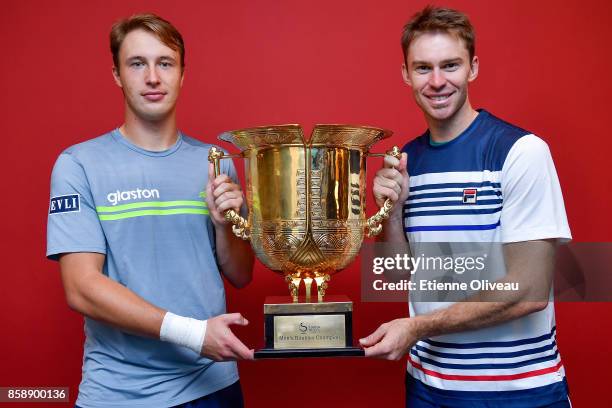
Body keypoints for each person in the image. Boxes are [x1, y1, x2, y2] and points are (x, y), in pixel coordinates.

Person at [361, 6, 572, 407]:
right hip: (429, 390)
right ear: (406, 74)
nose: (437, 81)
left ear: (473, 68)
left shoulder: (520, 152)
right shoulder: (406, 161)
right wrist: (391, 213)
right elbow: (399, 279)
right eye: (423, 68)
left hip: (518, 393)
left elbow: (529, 290)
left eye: (450, 65)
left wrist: (419, 327)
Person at [46, 13, 255, 408]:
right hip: (120, 393)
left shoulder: (216, 162)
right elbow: (81, 288)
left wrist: (225, 226)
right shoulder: (78, 164)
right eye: (137, 64)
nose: (153, 77)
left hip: (213, 387)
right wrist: (192, 334)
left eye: (165, 63)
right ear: (117, 75)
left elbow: (242, 275)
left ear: (182, 74)